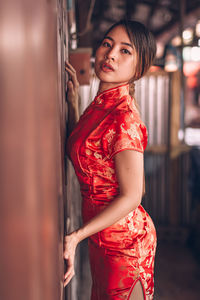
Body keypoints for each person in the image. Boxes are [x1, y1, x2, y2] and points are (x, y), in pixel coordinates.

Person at [63, 19, 157, 300]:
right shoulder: (101, 105)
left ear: (138, 69)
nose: (111, 54)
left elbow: (133, 196)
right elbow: (88, 152)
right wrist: (72, 108)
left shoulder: (124, 118)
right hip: (101, 237)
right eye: (107, 44)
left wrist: (76, 235)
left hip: (126, 245)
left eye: (125, 51)